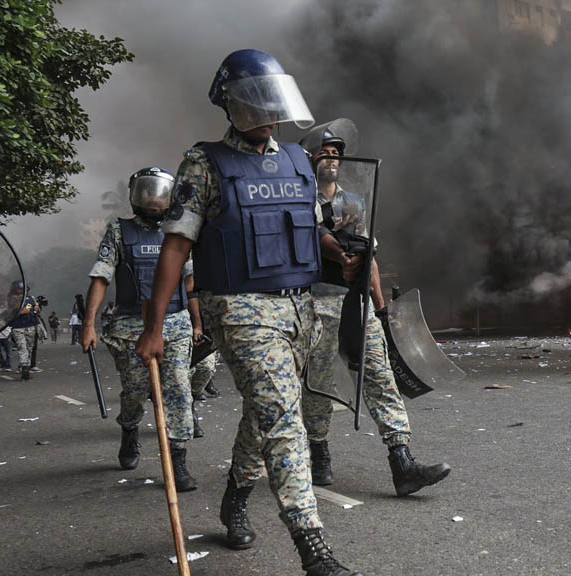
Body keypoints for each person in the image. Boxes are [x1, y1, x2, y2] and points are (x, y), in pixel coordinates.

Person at [135, 49, 362, 576]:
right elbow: (175, 245)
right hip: (237, 307)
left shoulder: (298, 161)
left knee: (267, 413)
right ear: (232, 104)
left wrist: (343, 258)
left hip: (298, 307)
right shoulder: (204, 162)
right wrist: (155, 327)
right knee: (285, 420)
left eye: (272, 102)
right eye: (254, 103)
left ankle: (236, 496)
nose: (266, 114)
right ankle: (313, 548)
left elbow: (311, 229)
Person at [302, 130, 450, 495]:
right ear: (312, 160)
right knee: (319, 382)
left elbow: (369, 257)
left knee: (380, 376)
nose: (332, 159)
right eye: (325, 153)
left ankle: (402, 463)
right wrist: (338, 254)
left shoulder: (355, 203)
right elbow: (312, 241)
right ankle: (318, 452)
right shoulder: (301, 201)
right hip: (318, 302)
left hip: (357, 302)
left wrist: (383, 310)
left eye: (337, 153)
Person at [80, 167, 202, 492]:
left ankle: (177, 461)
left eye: (159, 193)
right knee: (135, 389)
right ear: (136, 197)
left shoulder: (178, 232)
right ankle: (130, 429)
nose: (153, 199)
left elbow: (190, 282)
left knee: (178, 388)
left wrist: (200, 322)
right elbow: (101, 277)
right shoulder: (119, 232)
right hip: (131, 324)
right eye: (147, 192)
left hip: (174, 322)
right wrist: (89, 324)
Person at [7, 282, 42, 380]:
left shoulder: (30, 298)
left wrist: (33, 309)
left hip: (30, 326)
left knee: (29, 348)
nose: (21, 291)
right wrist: (30, 308)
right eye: (19, 289)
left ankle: (24, 366)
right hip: (18, 327)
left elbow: (36, 309)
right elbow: (23, 310)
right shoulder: (12, 298)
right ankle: (25, 369)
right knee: (23, 348)